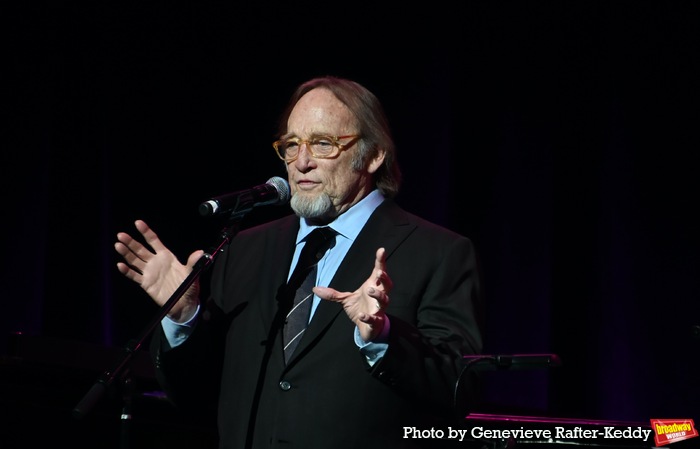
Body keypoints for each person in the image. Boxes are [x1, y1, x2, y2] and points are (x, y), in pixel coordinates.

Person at [114, 76, 484, 449]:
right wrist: (183, 319)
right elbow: (198, 394)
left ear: (373, 155)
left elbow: (459, 386)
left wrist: (383, 337)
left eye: (323, 144)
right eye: (291, 145)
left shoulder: (437, 252)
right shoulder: (245, 248)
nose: (301, 162)